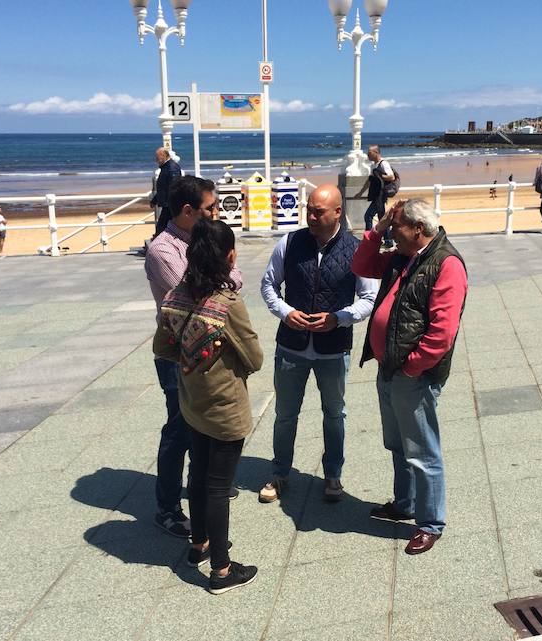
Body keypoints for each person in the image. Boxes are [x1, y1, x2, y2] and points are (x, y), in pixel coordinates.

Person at [351, 199, 468, 556]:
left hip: (411, 374)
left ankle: (430, 523)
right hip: (390, 368)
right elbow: (362, 263)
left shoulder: (445, 264)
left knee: (422, 450)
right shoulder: (404, 256)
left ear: (418, 229)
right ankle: (404, 503)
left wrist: (412, 366)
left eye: (397, 227)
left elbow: (442, 332)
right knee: (398, 443)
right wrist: (381, 225)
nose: (391, 235)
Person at [155, 218, 263, 594]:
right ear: (230, 256)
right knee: (218, 486)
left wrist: (192, 359)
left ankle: (198, 543)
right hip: (224, 405)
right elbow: (254, 357)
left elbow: (163, 348)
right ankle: (221, 569)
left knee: (197, 475)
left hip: (191, 401)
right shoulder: (225, 304)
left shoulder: (175, 297)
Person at [258, 184, 378, 503]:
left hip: (334, 348)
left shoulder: (356, 249)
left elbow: (368, 297)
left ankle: (333, 476)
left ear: (338, 212)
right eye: (308, 209)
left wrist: (339, 317)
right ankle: (280, 472)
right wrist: (285, 312)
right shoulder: (290, 242)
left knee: (335, 413)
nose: (310, 215)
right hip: (291, 346)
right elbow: (269, 285)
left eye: (318, 211)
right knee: (285, 413)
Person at [145, 175, 241, 539]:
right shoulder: (163, 250)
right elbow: (196, 294)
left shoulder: (201, 240)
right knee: (180, 427)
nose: (217, 213)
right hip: (176, 354)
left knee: (207, 423)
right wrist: (225, 274)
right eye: (210, 207)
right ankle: (167, 506)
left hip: (207, 347)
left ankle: (203, 487)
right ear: (188, 211)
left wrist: (224, 275)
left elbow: (231, 279)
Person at [355, 145, 396, 233]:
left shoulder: (383, 163)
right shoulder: (373, 166)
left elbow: (391, 177)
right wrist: (361, 192)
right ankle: (387, 240)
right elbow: (369, 181)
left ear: (376, 153)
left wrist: (380, 176)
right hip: (376, 195)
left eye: (369, 153)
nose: (368, 155)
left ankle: (369, 238)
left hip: (380, 195)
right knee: (382, 218)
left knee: (368, 216)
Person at [151, 147, 183, 238]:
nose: (156, 160)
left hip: (170, 204)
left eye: (157, 158)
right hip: (168, 204)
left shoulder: (172, 168)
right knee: (164, 226)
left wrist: (171, 203)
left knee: (162, 226)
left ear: (164, 156)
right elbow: (163, 188)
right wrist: (155, 200)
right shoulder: (166, 167)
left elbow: (173, 187)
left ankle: (157, 244)